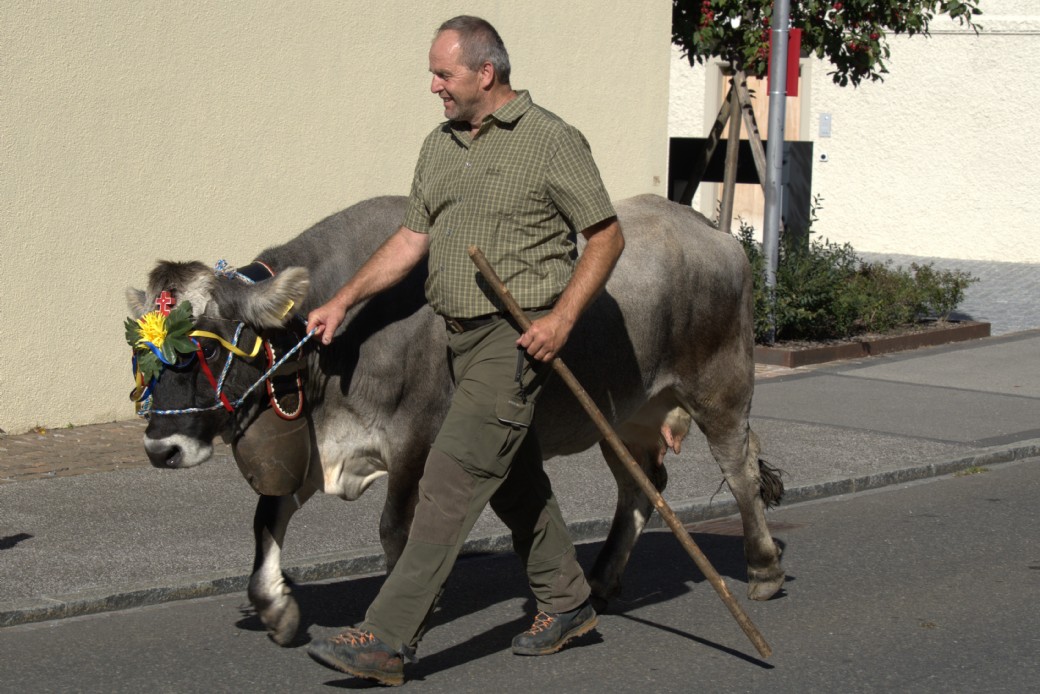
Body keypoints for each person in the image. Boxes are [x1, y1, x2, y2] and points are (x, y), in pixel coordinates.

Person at [305, 15, 624, 686]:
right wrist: (345, 299)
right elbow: (409, 240)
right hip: (459, 338)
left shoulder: (551, 141)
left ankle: (388, 638)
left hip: (517, 339)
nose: (433, 86)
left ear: (487, 72)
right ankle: (568, 600)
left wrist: (563, 319)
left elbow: (604, 237)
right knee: (510, 477)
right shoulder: (441, 145)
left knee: (446, 484)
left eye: (443, 74)